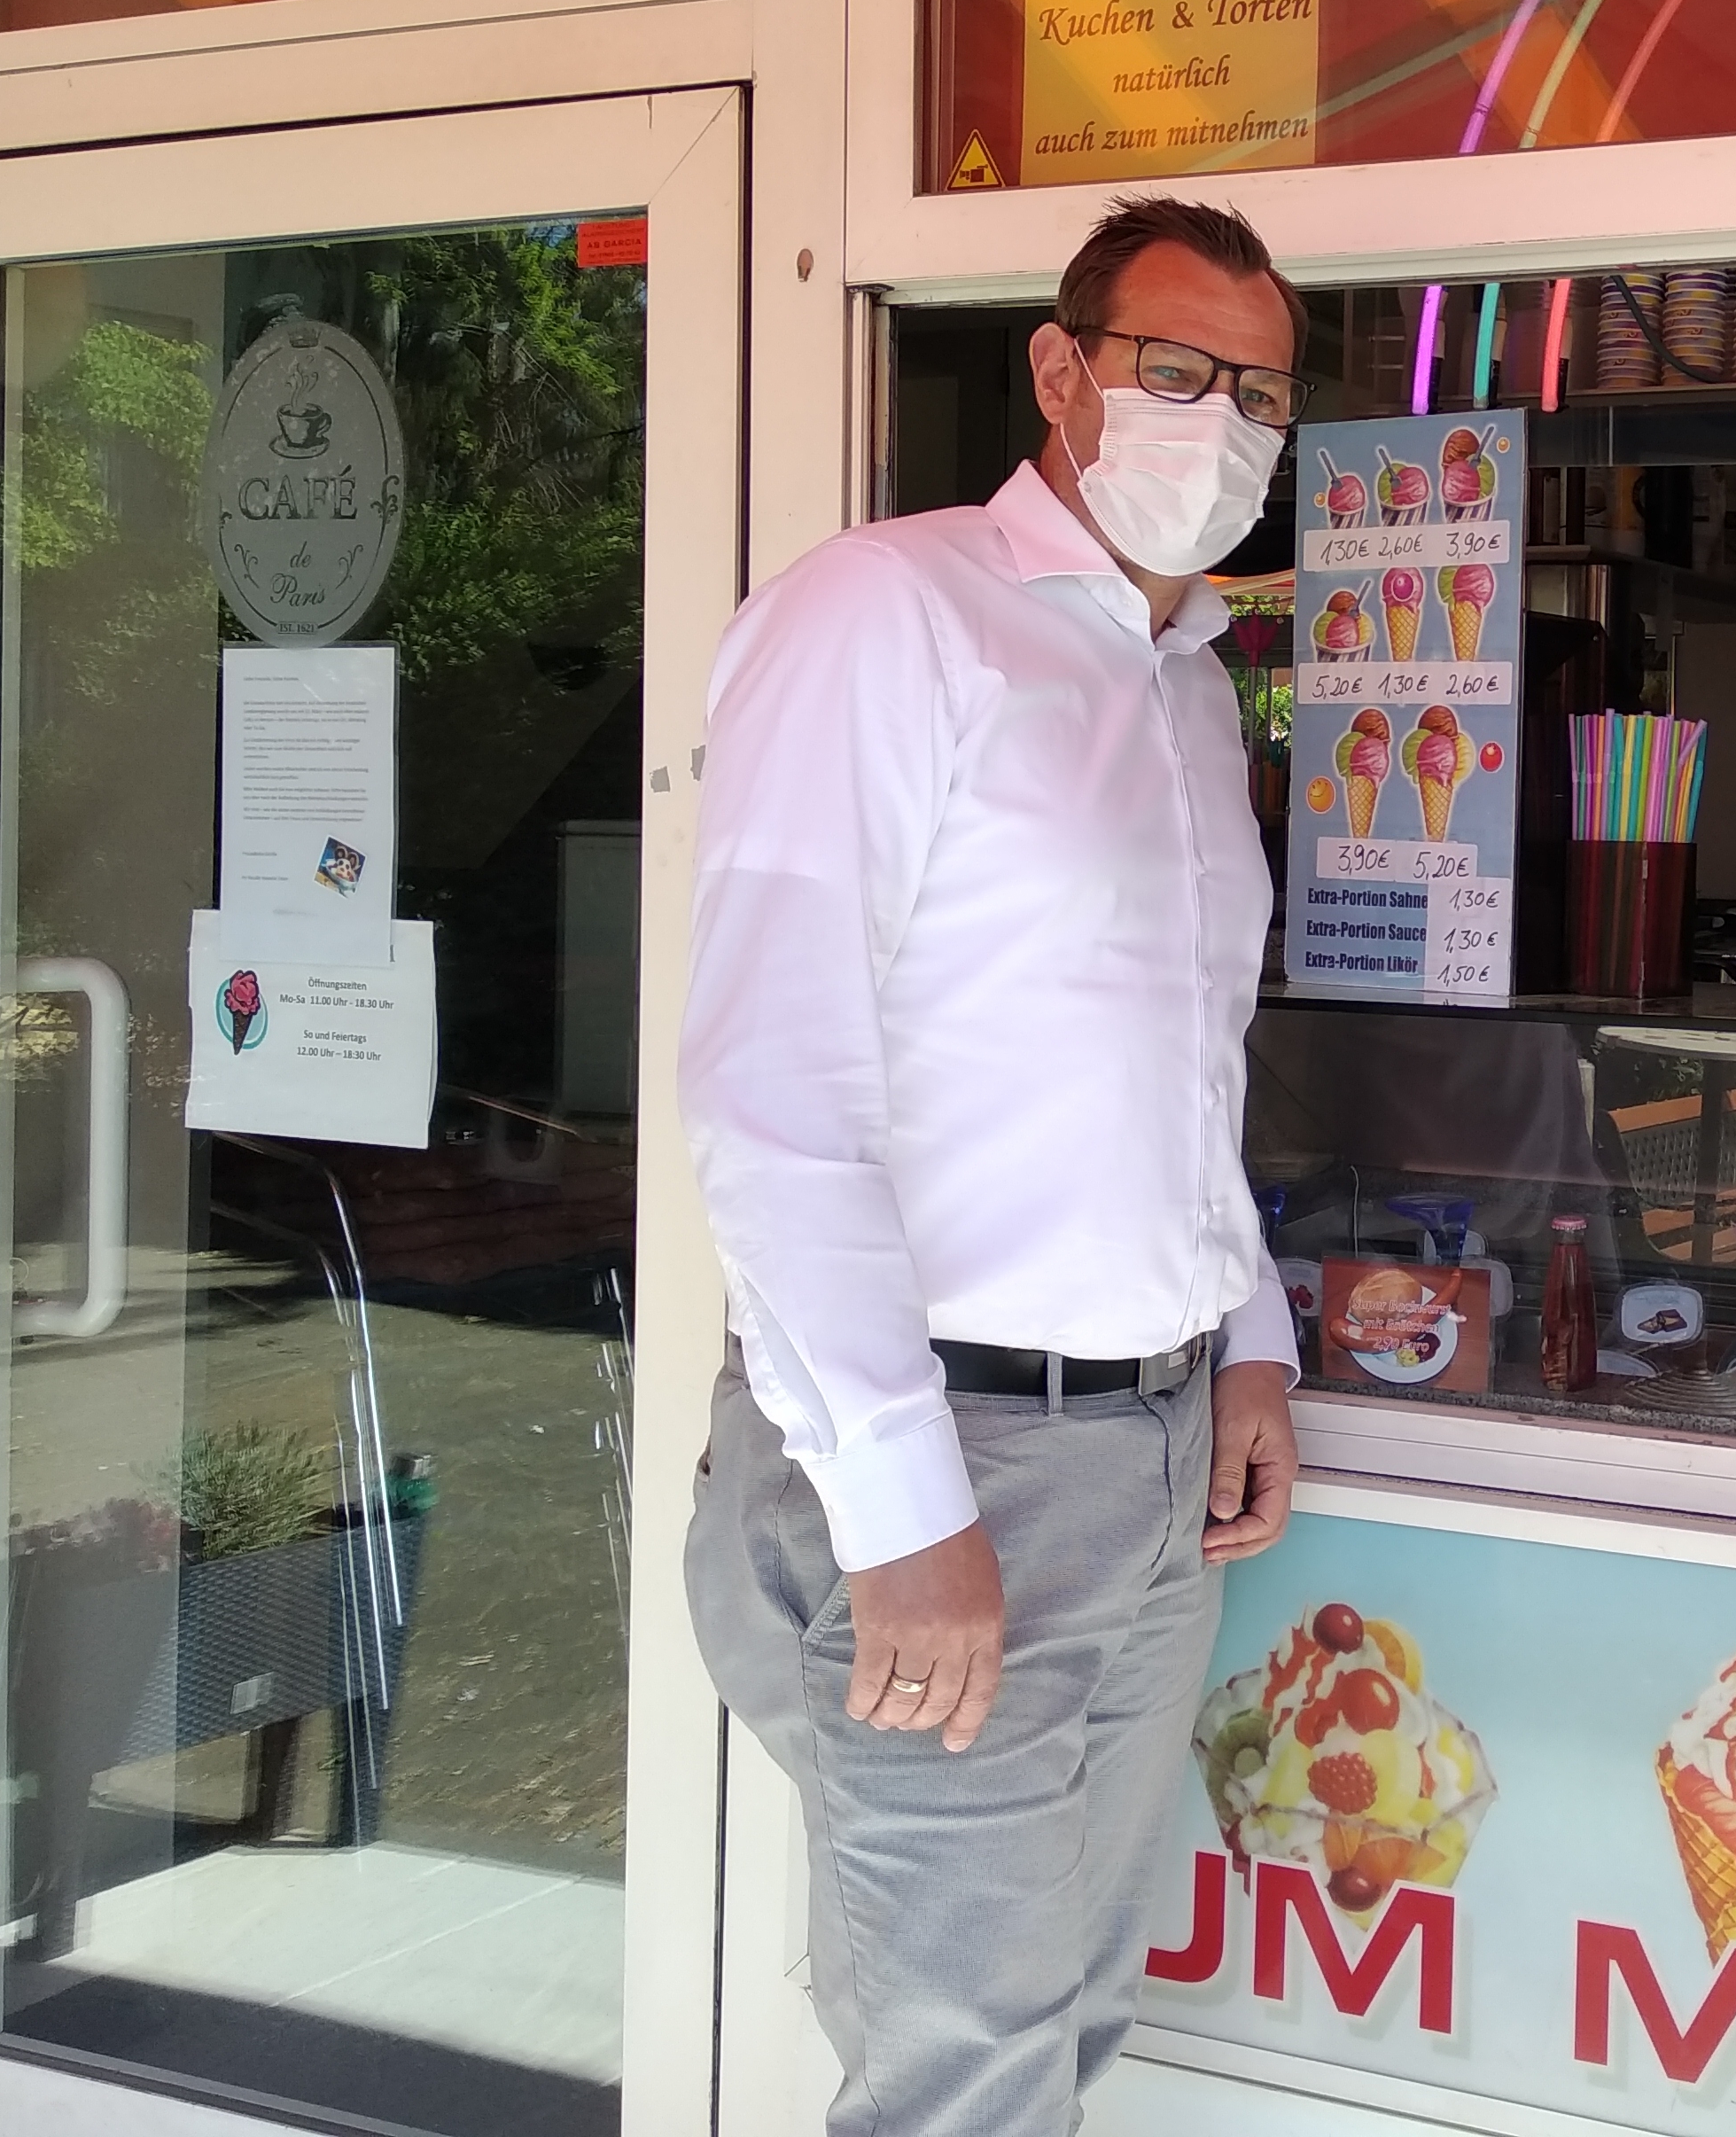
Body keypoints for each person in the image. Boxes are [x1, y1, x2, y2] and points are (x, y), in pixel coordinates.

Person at [679, 195, 1309, 2135]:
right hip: (952, 1466)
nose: (1220, 421)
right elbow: (770, 1086)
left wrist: (1252, 1332)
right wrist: (896, 1505)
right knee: (957, 2073)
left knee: (1063, 2029)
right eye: (1178, 370)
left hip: (1147, 1466)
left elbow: (1169, 1076)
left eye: (1261, 394)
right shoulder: (884, 611)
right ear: (1059, 369)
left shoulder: (1192, 681)